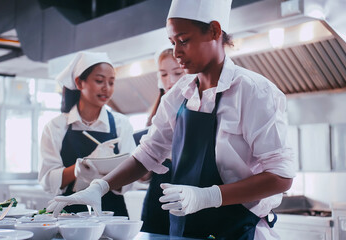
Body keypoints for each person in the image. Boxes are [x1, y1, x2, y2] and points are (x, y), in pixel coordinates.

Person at [47, 0, 295, 239]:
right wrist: (99, 187)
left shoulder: (254, 92)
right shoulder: (178, 95)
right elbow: (148, 154)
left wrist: (207, 197)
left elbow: (281, 177)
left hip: (238, 230)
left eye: (184, 40)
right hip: (185, 229)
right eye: (172, 42)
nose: (176, 52)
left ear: (214, 31)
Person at [39, 51, 136, 216]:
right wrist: (79, 168)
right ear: (79, 82)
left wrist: (105, 171)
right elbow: (48, 181)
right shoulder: (55, 127)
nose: (106, 88)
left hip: (112, 214)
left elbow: (130, 177)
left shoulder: (121, 124)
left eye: (111, 82)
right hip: (68, 215)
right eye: (99, 81)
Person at [140, 46, 186, 235]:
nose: (171, 80)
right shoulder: (157, 114)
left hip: (189, 192)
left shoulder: (200, 105)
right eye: (164, 74)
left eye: (177, 72)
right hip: (158, 192)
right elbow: (144, 172)